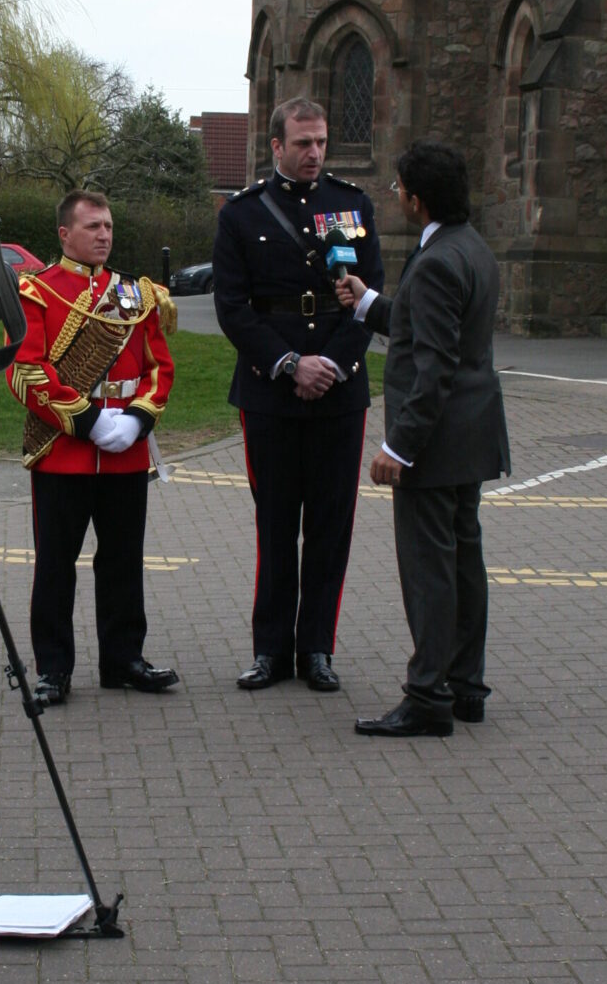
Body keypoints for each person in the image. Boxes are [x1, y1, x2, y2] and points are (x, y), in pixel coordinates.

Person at [338, 139, 510, 737]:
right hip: (471, 435)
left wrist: (398, 447)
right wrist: (369, 305)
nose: (396, 198)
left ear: (415, 198)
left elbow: (434, 366)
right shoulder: (471, 248)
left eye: (398, 189)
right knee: (464, 561)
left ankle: (427, 694)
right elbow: (431, 328)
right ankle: (466, 687)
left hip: (435, 442)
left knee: (429, 569)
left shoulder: (436, 260)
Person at [212, 97, 382, 693]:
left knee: (331, 527)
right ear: (277, 146)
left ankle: (316, 650)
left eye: (321, 142)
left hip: (338, 391)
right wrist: (289, 364)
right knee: (276, 525)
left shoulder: (351, 205)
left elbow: (371, 298)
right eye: (302, 143)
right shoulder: (241, 214)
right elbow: (232, 308)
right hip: (271, 392)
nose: (314, 153)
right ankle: (269, 651)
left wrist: (332, 363)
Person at [6, 189, 178, 706]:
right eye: (92, 227)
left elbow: (159, 368)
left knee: (124, 559)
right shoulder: (37, 291)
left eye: (107, 226)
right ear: (64, 234)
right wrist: (86, 421)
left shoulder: (137, 293)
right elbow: (26, 371)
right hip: (65, 450)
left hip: (125, 448)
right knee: (56, 563)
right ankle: (53, 668)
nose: (104, 235)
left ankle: (123, 659)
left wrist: (139, 419)